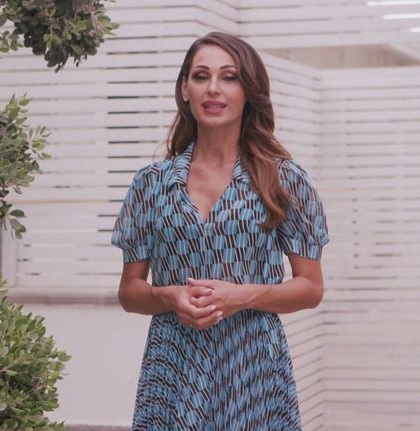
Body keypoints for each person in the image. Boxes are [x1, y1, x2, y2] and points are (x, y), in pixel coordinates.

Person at [110, 32, 331, 431]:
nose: (213, 88)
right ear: (185, 89)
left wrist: (241, 296)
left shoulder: (283, 179)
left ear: (249, 91)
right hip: (173, 367)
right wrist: (169, 295)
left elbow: (310, 288)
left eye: (229, 77)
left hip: (252, 369)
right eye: (201, 76)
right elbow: (130, 292)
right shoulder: (151, 184)